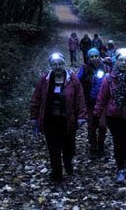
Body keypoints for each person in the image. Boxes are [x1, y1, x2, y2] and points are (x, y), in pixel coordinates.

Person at [30, 53, 87, 183]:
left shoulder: (72, 80)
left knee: (68, 147)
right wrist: (34, 117)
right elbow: (36, 99)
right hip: (50, 120)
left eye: (60, 64)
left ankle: (68, 162)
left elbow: (80, 99)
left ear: (64, 64)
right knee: (53, 148)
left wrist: (81, 117)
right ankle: (57, 173)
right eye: (55, 64)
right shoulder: (44, 80)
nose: (58, 67)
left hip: (68, 120)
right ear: (51, 66)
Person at [94, 48, 126, 183]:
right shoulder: (109, 78)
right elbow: (102, 98)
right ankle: (120, 168)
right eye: (120, 60)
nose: (123, 63)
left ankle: (125, 159)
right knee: (118, 142)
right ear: (115, 61)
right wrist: (96, 115)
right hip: (113, 115)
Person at [77, 48, 111, 158]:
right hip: (90, 103)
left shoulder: (106, 67)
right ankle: (93, 147)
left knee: (102, 125)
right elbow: (76, 81)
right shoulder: (84, 68)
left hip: (103, 102)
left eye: (96, 56)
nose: (94, 58)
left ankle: (101, 146)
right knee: (91, 126)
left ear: (99, 56)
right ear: (88, 58)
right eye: (92, 56)